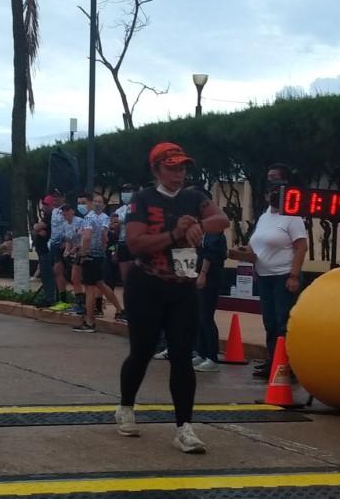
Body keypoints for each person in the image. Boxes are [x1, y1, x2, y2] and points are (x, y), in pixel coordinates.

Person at [117, 142, 229, 455]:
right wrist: (175, 234)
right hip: (146, 285)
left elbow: (222, 220)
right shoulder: (142, 199)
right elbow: (136, 243)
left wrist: (197, 225)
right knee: (141, 352)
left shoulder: (194, 196)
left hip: (182, 286)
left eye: (182, 168)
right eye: (171, 168)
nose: (178, 174)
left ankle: (184, 427)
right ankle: (126, 406)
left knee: (182, 356)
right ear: (156, 169)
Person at [228, 163, 307, 380]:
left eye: (276, 189)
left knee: (284, 323)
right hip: (264, 277)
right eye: (270, 190)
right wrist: (243, 252)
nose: (272, 194)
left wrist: (293, 275)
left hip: (283, 277)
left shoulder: (293, 217)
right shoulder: (264, 217)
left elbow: (301, 246)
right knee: (270, 322)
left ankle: (287, 365)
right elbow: (257, 245)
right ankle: (274, 360)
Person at [73, 193, 123, 333]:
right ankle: (120, 310)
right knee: (100, 284)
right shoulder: (105, 218)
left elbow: (87, 237)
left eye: (98, 201)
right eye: (95, 201)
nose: (96, 203)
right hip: (100, 255)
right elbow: (105, 237)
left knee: (89, 288)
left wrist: (83, 252)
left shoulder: (89, 218)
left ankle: (89, 322)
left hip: (90, 256)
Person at [193, 229, 227, 372]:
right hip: (200, 275)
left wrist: (203, 274)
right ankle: (202, 352)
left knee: (206, 317)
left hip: (210, 278)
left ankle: (212, 357)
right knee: (199, 316)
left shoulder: (215, 234)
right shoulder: (205, 232)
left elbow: (210, 255)